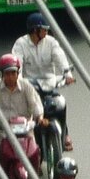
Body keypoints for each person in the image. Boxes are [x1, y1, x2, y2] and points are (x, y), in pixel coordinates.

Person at [0, 53, 46, 179]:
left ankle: (35, 176)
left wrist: (39, 117)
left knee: (35, 151)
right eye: (7, 74)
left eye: (13, 73)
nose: (10, 77)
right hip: (3, 130)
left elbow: (35, 104)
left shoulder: (26, 87)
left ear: (18, 72)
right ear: (1, 74)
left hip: (25, 130)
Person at [12, 13, 76, 148]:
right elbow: (17, 64)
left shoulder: (51, 42)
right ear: (35, 30)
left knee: (60, 106)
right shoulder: (21, 44)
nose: (46, 32)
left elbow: (60, 57)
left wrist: (67, 74)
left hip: (49, 83)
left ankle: (64, 134)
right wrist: (18, 80)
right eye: (43, 29)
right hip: (30, 86)